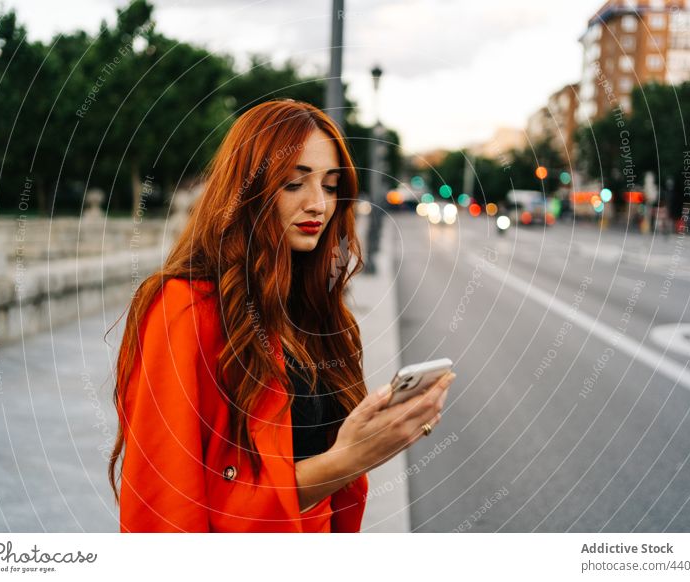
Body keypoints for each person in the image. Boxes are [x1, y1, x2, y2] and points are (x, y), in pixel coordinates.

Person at [108, 99, 455, 532]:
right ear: (245, 190)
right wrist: (347, 460)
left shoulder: (315, 310)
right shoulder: (183, 309)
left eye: (330, 187)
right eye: (294, 183)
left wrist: (370, 434)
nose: (318, 205)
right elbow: (164, 508)